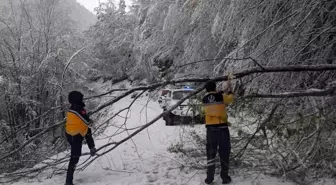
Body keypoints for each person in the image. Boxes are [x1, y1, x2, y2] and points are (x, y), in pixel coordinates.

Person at [202, 76, 234, 184]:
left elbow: (212, 100)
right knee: (224, 152)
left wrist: (219, 93)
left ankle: (209, 178)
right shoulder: (221, 96)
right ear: (215, 88)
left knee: (211, 153)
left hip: (211, 130)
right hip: (223, 130)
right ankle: (225, 177)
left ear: (206, 89)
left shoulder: (204, 98)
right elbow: (230, 99)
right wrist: (229, 90)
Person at [65, 91, 97, 185]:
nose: (82, 100)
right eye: (81, 98)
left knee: (87, 131)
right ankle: (68, 182)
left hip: (71, 133)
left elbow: (83, 120)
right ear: (77, 99)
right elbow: (87, 122)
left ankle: (92, 147)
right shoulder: (77, 109)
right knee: (74, 158)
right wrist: (90, 119)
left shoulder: (72, 108)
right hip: (75, 136)